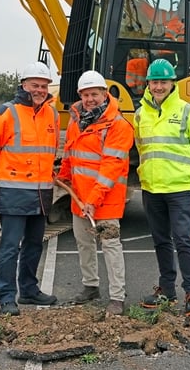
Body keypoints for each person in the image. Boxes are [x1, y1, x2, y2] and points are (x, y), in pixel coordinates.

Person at [0, 61, 60, 316]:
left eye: (44, 86)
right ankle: (6, 297)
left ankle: (28, 290)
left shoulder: (52, 115)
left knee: (35, 244)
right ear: (24, 85)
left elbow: (50, 150)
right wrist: (5, 171)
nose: (40, 90)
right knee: (10, 246)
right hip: (14, 190)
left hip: (41, 191)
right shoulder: (3, 113)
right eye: (35, 85)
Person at [56, 71, 134, 315]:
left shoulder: (118, 125)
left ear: (104, 94)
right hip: (80, 198)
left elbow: (111, 167)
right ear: (80, 95)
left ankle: (117, 297)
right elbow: (70, 153)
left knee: (110, 245)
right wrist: (63, 176)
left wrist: (93, 199)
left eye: (94, 94)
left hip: (105, 200)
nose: (90, 99)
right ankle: (91, 286)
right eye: (86, 94)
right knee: (84, 243)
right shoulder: (76, 121)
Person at [134, 58, 190, 316]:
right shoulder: (141, 113)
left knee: (184, 240)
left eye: (163, 82)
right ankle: (167, 290)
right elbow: (142, 146)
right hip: (151, 188)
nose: (159, 86)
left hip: (178, 189)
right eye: (155, 82)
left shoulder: (188, 112)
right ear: (149, 84)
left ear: (172, 83)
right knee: (161, 241)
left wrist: (184, 173)